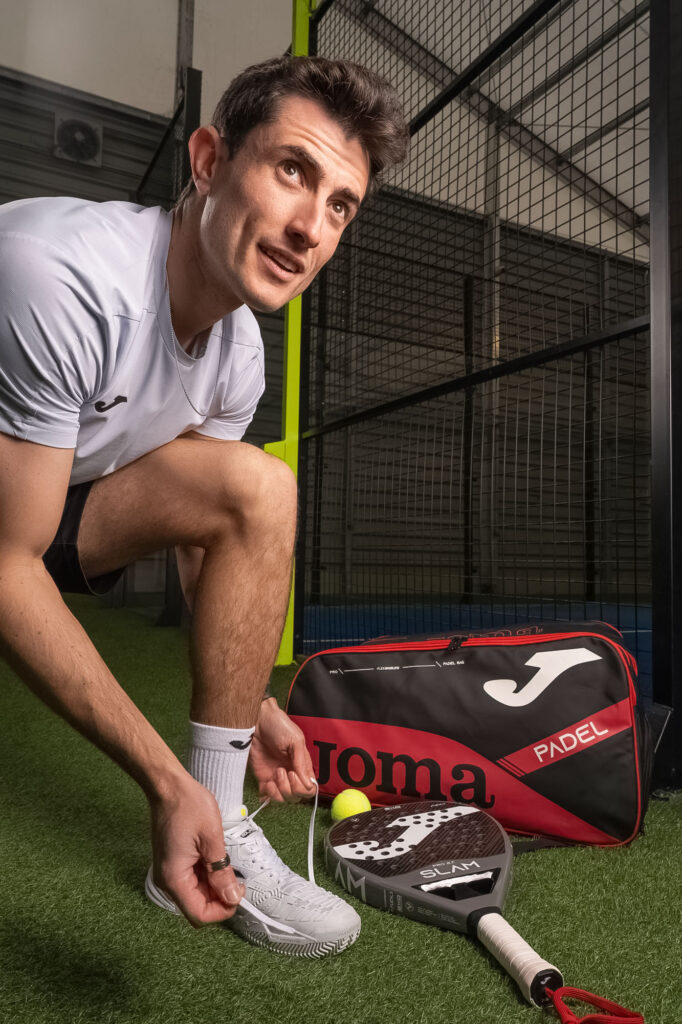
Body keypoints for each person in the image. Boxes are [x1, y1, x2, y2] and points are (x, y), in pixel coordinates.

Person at [0, 55, 408, 957]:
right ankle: (191, 806)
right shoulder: (61, 280)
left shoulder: (239, 354)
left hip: (45, 488)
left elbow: (210, 530)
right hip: (9, 516)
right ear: (210, 159)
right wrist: (160, 777)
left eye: (342, 204)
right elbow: (7, 564)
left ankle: (219, 825)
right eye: (293, 170)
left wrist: (250, 707)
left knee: (259, 485)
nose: (311, 227)